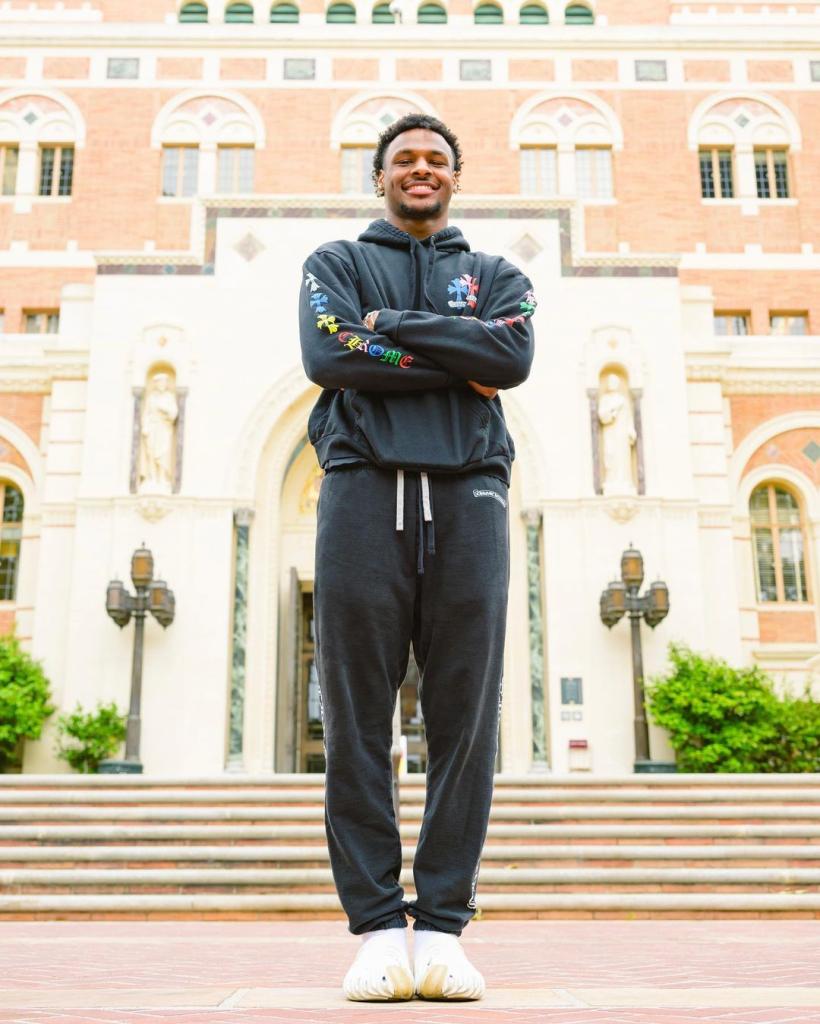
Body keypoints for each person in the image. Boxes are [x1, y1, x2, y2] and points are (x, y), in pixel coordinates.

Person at [298, 113, 537, 1002]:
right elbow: (329, 353)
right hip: (362, 492)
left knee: (465, 718)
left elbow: (510, 358)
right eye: (405, 160)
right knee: (356, 718)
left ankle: (441, 927)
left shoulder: (497, 272)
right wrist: (452, 348)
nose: (421, 170)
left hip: (470, 495)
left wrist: (391, 329)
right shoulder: (334, 264)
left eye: (437, 159)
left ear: (455, 176)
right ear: (380, 177)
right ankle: (375, 931)